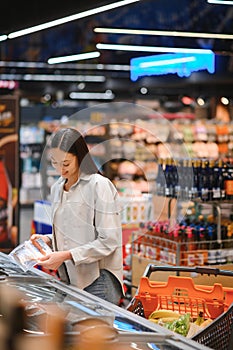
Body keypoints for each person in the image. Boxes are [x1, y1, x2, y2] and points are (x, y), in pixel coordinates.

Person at [31, 127, 124, 305]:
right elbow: (73, 231)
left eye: (65, 164)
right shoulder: (57, 188)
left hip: (99, 279)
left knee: (93, 332)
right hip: (71, 279)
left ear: (80, 157)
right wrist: (49, 239)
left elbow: (109, 240)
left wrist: (66, 255)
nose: (60, 170)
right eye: (54, 162)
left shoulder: (99, 186)